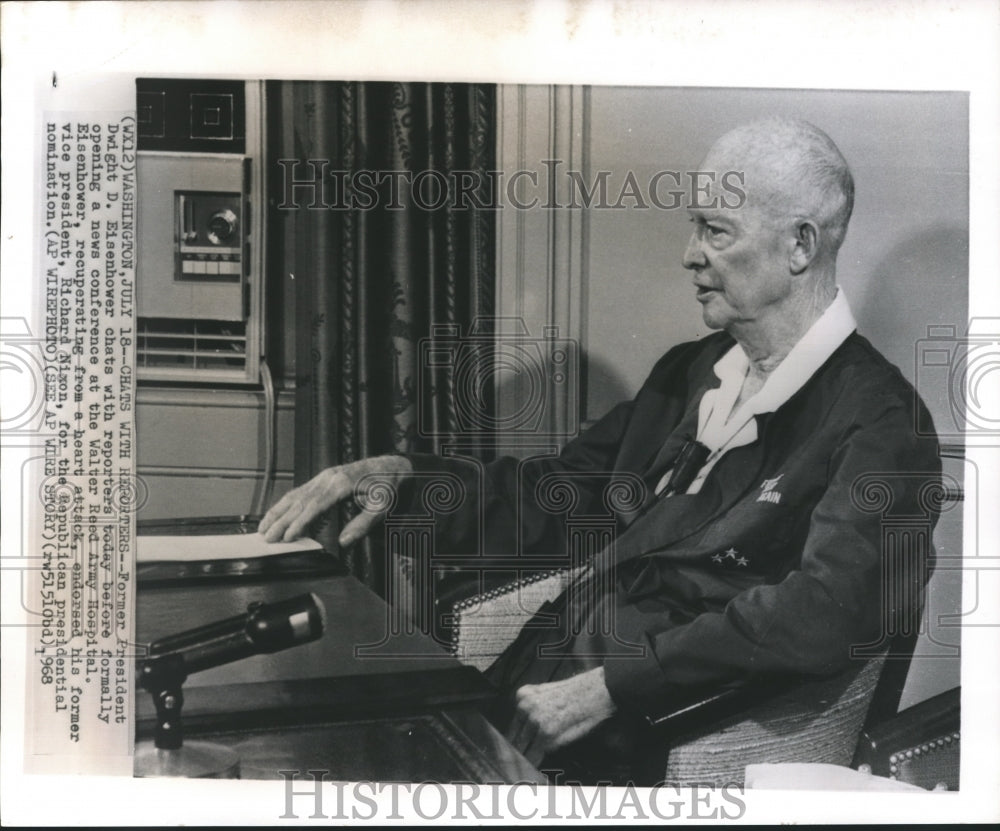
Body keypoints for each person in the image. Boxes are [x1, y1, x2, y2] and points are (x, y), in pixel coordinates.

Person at [260, 117, 941, 776]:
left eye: (716, 230)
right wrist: (404, 480)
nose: (689, 253)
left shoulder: (881, 424)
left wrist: (615, 686)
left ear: (800, 246)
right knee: (306, 734)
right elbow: (565, 491)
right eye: (693, 226)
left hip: (639, 738)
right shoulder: (694, 371)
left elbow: (822, 611)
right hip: (532, 693)